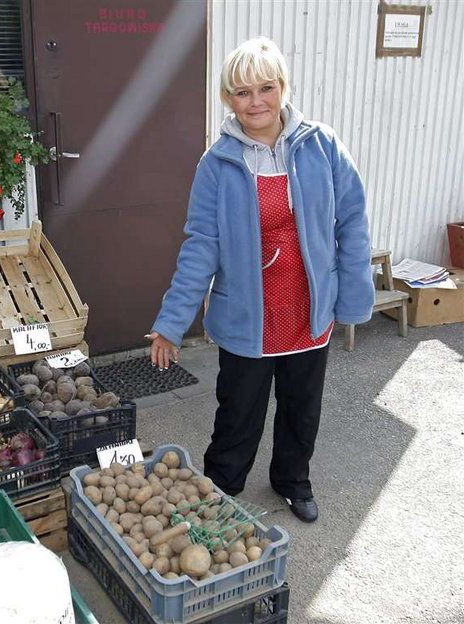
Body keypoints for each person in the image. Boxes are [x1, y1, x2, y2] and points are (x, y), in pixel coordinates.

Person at [147, 37, 374, 523]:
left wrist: (353, 298)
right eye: (242, 92)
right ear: (228, 99)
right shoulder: (217, 164)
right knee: (238, 412)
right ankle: (221, 489)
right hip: (249, 314)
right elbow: (200, 245)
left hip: (308, 307)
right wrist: (171, 322)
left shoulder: (322, 146)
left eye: (266, 88)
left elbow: (351, 222)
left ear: (283, 88)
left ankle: (293, 480)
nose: (256, 102)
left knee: (302, 408)